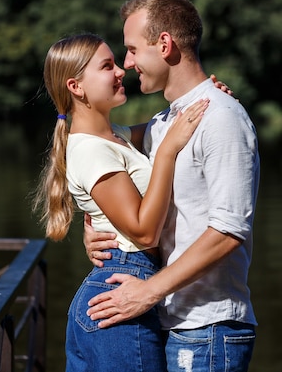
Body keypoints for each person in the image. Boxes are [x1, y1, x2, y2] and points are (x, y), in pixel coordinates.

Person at [84, 0, 261, 372]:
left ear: (164, 44)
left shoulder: (222, 118)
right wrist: (92, 222)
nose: (128, 63)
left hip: (209, 329)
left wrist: (146, 293)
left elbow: (229, 232)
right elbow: (96, 146)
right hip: (174, 323)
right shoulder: (165, 123)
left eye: (132, 50)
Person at [33, 33, 210, 372]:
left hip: (118, 288)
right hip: (121, 293)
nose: (120, 71)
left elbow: (169, 124)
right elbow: (144, 233)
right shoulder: (92, 150)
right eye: (106, 66)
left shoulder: (117, 138)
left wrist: (206, 95)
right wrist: (168, 153)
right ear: (76, 86)